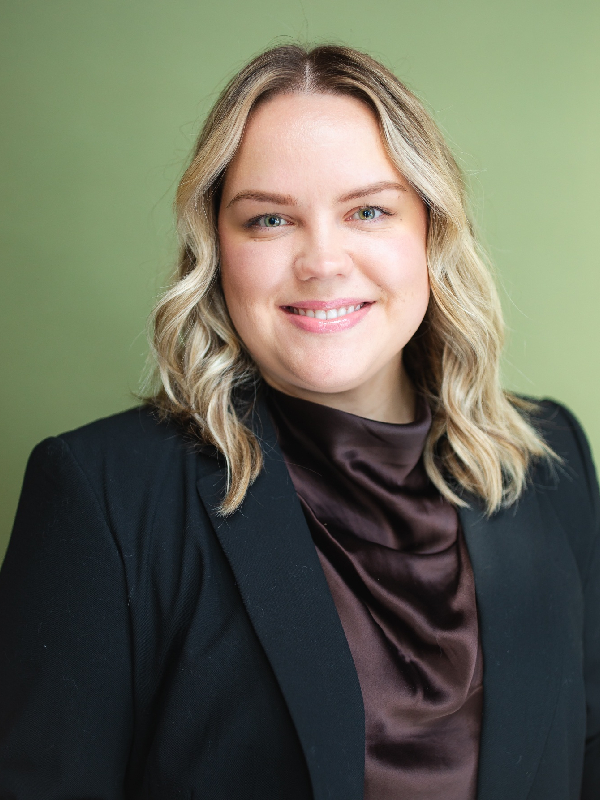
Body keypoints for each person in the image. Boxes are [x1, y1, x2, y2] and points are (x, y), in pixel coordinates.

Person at [0, 43, 598, 800]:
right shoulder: (103, 497)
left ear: (430, 235)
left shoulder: (551, 464)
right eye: (271, 219)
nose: (322, 260)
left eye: (369, 211)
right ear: (216, 249)